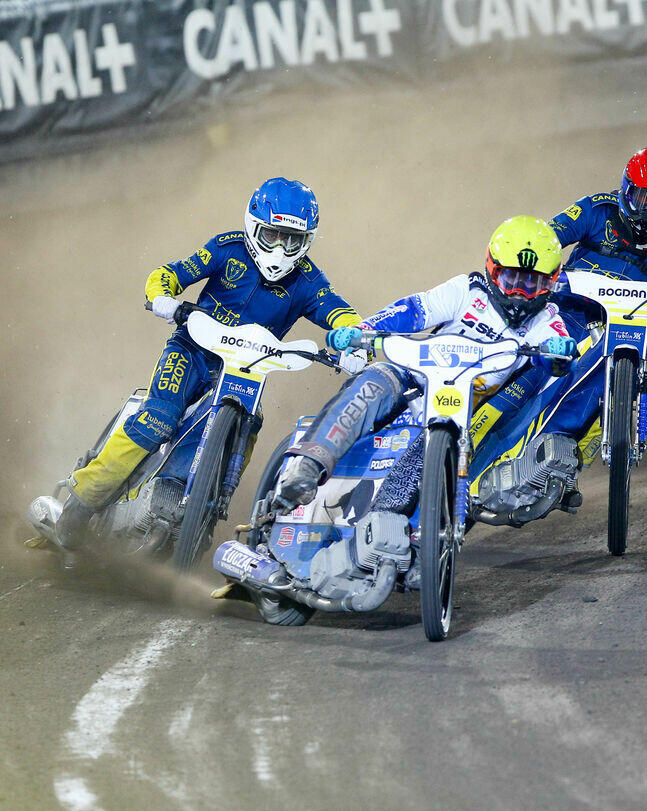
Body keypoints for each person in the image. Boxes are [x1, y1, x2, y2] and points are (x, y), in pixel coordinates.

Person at [55, 177, 362, 549]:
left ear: (307, 241)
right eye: (272, 235)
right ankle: (80, 503)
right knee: (159, 419)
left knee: (249, 422)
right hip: (191, 351)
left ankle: (205, 512)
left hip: (246, 373)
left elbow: (341, 313)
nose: (281, 250)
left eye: (292, 240)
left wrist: (354, 342)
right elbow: (169, 273)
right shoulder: (226, 248)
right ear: (253, 226)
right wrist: (162, 296)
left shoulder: (309, 281)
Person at [270, 215, 577, 571]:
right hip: (410, 376)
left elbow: (559, 354)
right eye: (512, 279)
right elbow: (414, 310)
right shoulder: (467, 290)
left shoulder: (547, 322)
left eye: (533, 283)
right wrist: (362, 330)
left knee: (427, 457)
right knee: (372, 382)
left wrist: (561, 351)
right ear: (493, 270)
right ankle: (307, 468)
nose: (520, 293)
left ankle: (390, 540)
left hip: (456, 410)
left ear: (551, 283)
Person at [472, 145, 647, 469]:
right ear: (626, 188)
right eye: (644, 198)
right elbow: (545, 239)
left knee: (599, 367)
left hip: (614, 329)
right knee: (516, 371)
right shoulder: (595, 209)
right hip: (558, 313)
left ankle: (562, 454)